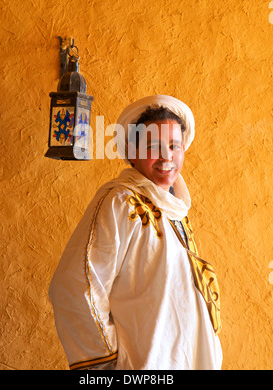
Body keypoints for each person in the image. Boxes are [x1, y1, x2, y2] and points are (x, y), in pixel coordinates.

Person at [49, 95, 223, 370]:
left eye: (174, 145)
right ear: (132, 152)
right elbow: (75, 286)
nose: (167, 156)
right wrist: (105, 366)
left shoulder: (173, 210)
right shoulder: (121, 202)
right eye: (153, 145)